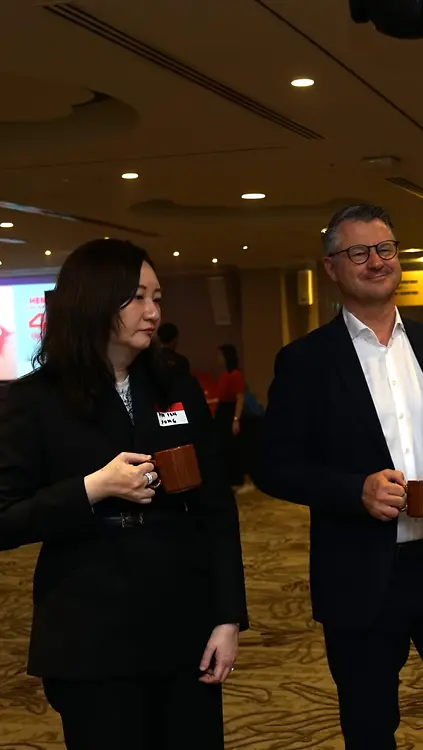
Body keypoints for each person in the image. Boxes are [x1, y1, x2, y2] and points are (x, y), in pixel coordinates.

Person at [253, 204, 423, 749]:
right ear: (331, 267)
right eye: (358, 252)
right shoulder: (305, 361)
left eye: (385, 249)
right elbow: (273, 466)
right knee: (370, 729)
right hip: (360, 573)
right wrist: (355, 490)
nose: (376, 261)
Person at [0, 239, 247, 750]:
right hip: (91, 627)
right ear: (93, 301)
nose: (153, 312)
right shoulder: (36, 399)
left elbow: (217, 510)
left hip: (182, 617)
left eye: (157, 298)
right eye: (137, 298)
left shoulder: (173, 384)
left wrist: (227, 617)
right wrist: (92, 489)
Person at [215, 344, 246, 490]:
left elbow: (240, 398)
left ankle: (236, 480)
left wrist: (236, 419)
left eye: (220, 356)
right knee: (223, 447)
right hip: (222, 412)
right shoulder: (224, 375)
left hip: (230, 412)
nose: (218, 359)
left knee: (232, 447)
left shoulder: (236, 375)